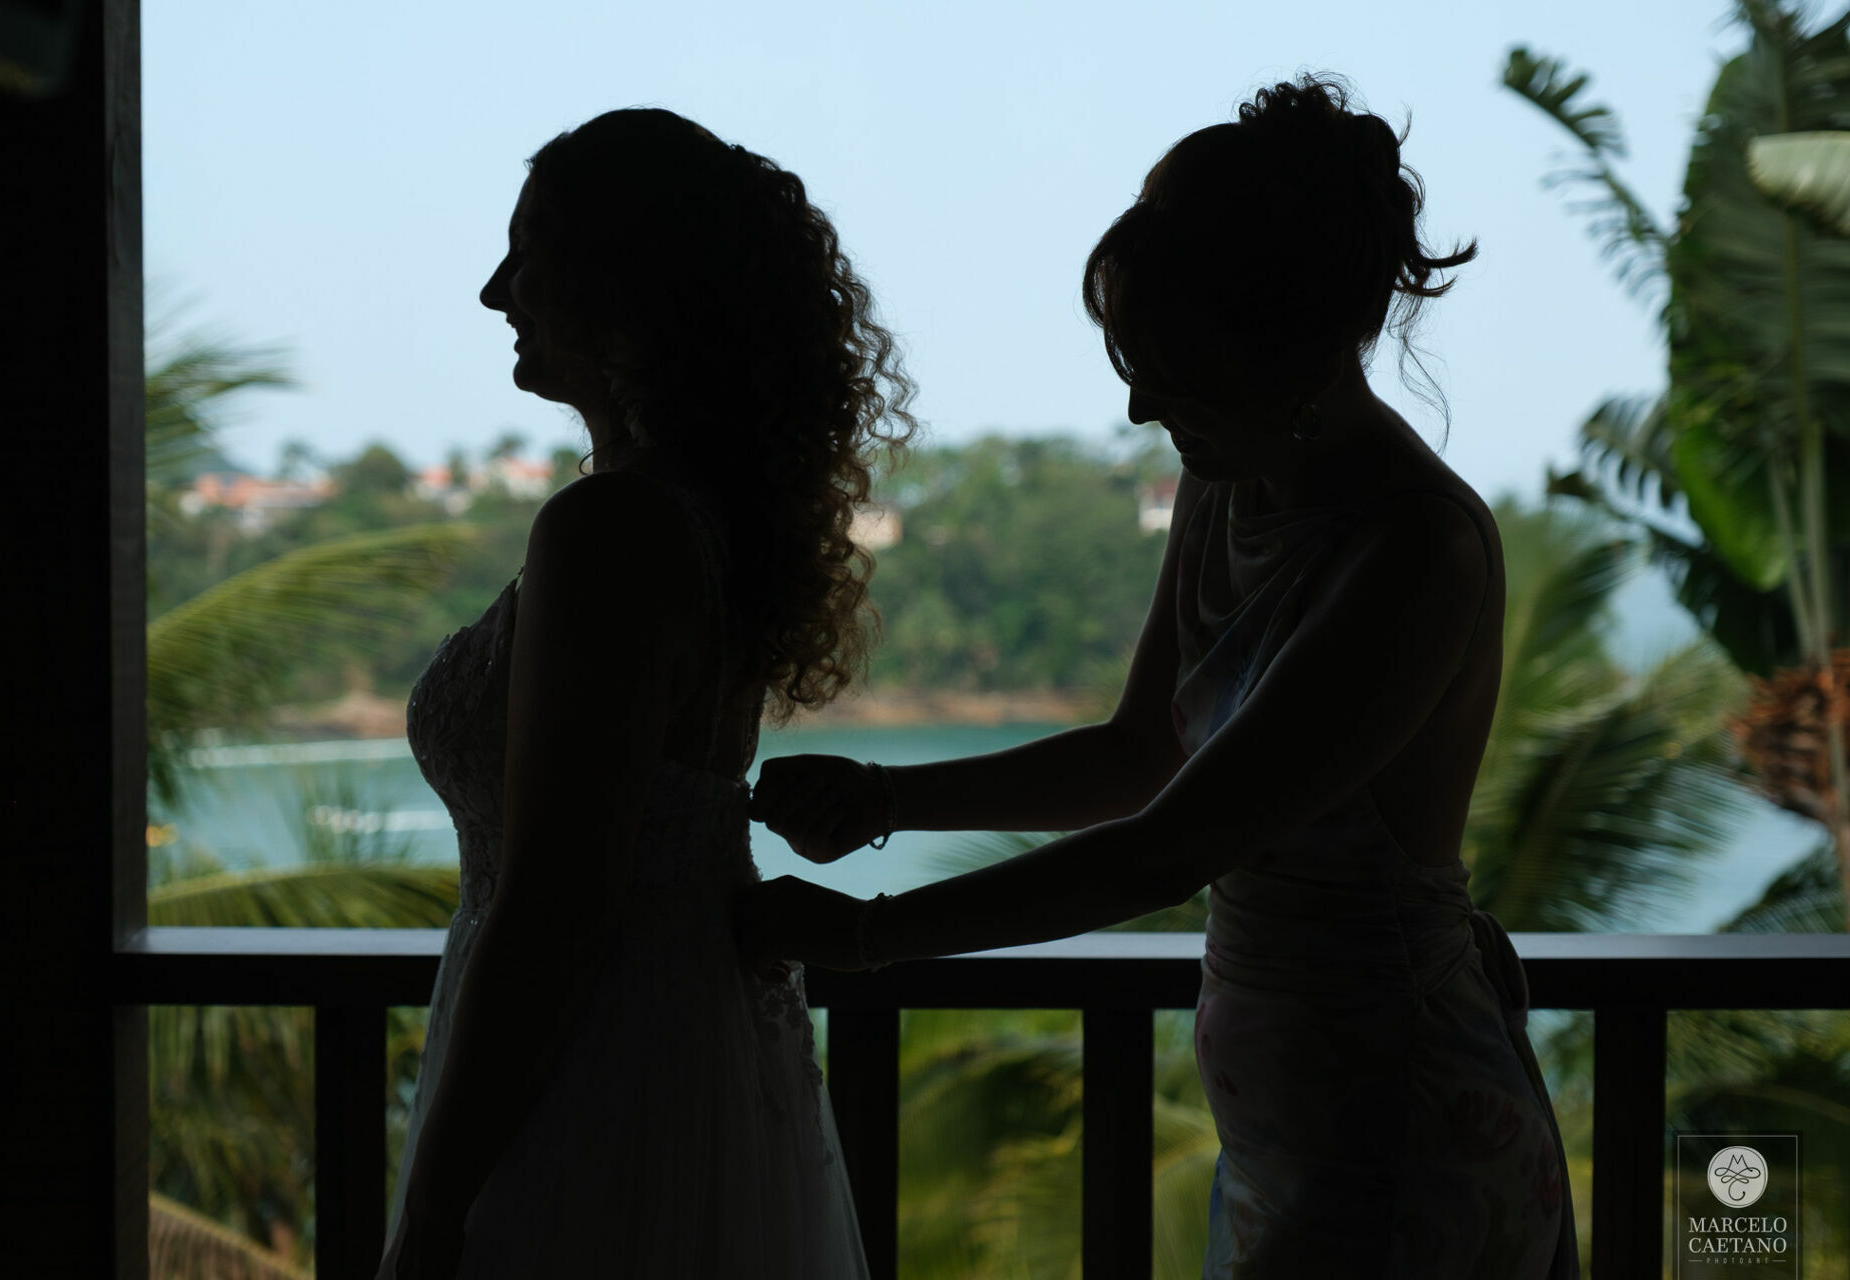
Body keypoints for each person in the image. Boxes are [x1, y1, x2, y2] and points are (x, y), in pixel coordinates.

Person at [739, 76, 1581, 1278]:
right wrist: (885, 797)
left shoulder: (1416, 548)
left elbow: (1170, 842)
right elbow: (1141, 754)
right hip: (1288, 1117)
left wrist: (873, 939)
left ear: (1282, 343)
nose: (1139, 404)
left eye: (1169, 367)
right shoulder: (1226, 483)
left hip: (1399, 1117)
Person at [376, 107, 914, 1279]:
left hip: (589, 1069)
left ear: (621, 286)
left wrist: (433, 1210)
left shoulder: (614, 527)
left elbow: (553, 910)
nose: (492, 291)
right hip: (676, 1037)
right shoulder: (696, 514)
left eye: (527, 254)